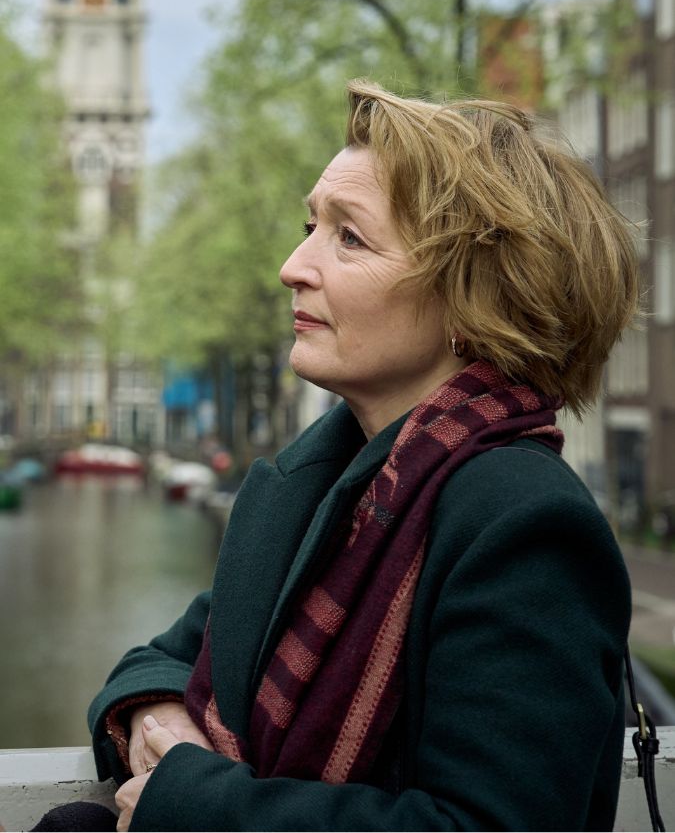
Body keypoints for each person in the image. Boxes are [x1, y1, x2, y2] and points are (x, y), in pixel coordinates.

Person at [86, 80, 637, 831]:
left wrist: (193, 801)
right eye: (310, 225)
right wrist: (160, 722)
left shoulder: (524, 527)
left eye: (349, 237)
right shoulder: (314, 490)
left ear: (472, 296)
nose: (293, 265)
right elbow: (158, 661)